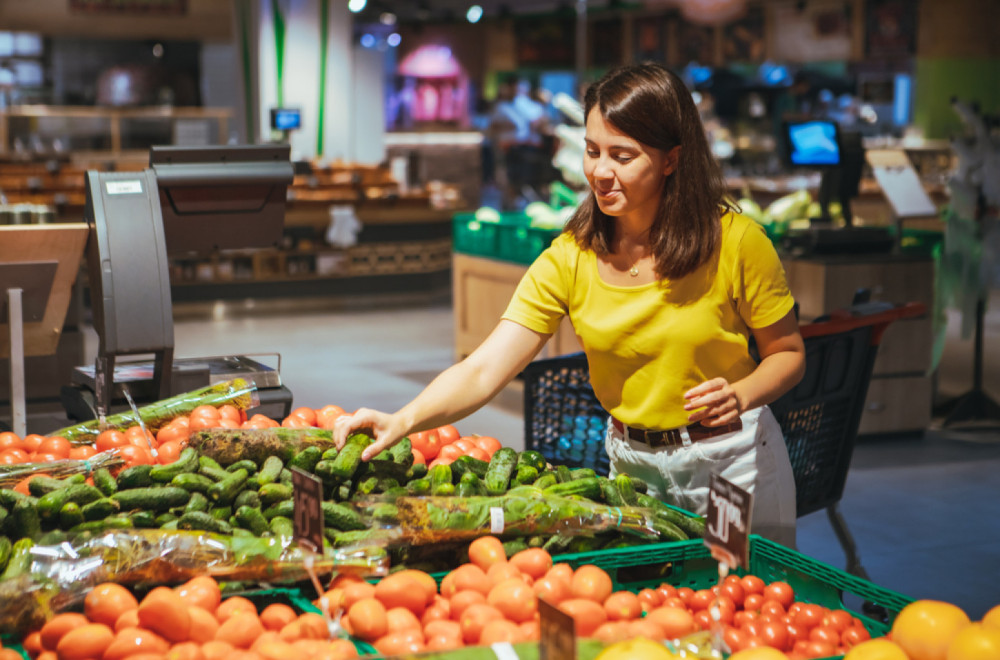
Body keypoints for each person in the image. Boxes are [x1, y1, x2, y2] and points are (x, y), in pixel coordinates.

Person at [334, 63, 806, 547]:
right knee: (656, 605)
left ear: (671, 159)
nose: (601, 172)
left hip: (728, 466)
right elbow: (483, 370)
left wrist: (742, 395)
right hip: (632, 470)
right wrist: (403, 420)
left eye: (623, 156)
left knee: (740, 601)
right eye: (592, 150)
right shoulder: (570, 256)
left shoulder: (736, 243)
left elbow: (788, 354)